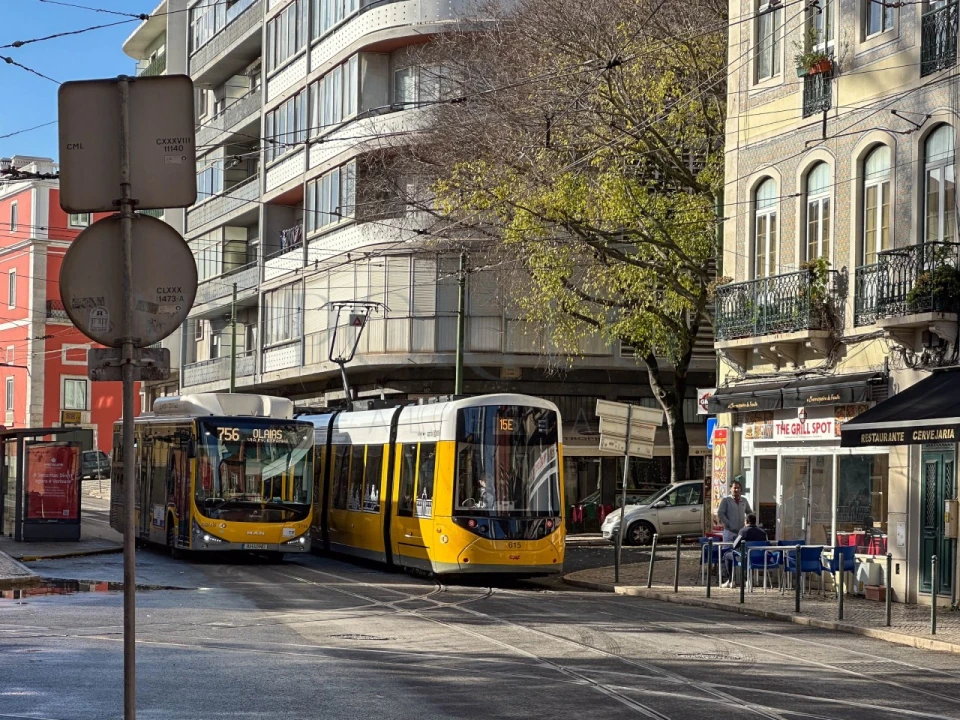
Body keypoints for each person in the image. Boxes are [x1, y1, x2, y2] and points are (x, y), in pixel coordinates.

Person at [722, 513, 768, 588]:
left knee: (727, 555)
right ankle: (748, 580)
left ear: (746, 521)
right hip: (760, 559)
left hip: (745, 558)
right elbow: (766, 545)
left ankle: (731, 581)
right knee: (748, 557)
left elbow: (735, 545)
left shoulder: (743, 531)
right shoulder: (763, 532)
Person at [717, 480, 752, 544]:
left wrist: (747, 523)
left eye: (738, 488)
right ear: (730, 489)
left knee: (740, 552)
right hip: (729, 532)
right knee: (727, 551)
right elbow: (720, 513)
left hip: (741, 532)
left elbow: (749, 512)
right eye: (734, 488)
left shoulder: (744, 500)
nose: (736, 490)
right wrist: (728, 523)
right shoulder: (726, 500)